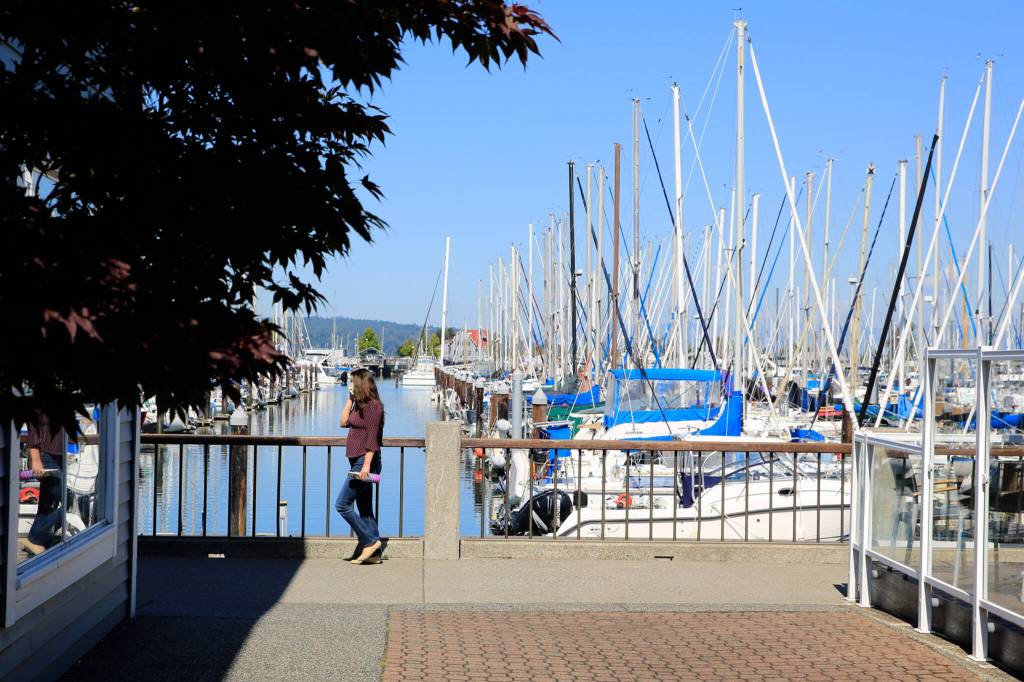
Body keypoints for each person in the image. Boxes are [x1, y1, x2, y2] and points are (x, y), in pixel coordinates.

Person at [335, 368, 387, 564]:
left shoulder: (374, 407)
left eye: (352, 382)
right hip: (357, 461)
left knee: (342, 504)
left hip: (366, 463)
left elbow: (372, 440)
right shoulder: (359, 405)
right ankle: (373, 554)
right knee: (364, 508)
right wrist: (350, 398)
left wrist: (365, 466)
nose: (350, 385)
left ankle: (370, 541)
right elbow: (342, 422)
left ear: (360, 384)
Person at [22, 413, 68, 556]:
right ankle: (35, 539)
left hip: (58, 455)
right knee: (60, 499)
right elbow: (33, 427)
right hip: (44, 456)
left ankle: (40, 539)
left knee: (49, 501)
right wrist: (35, 458)